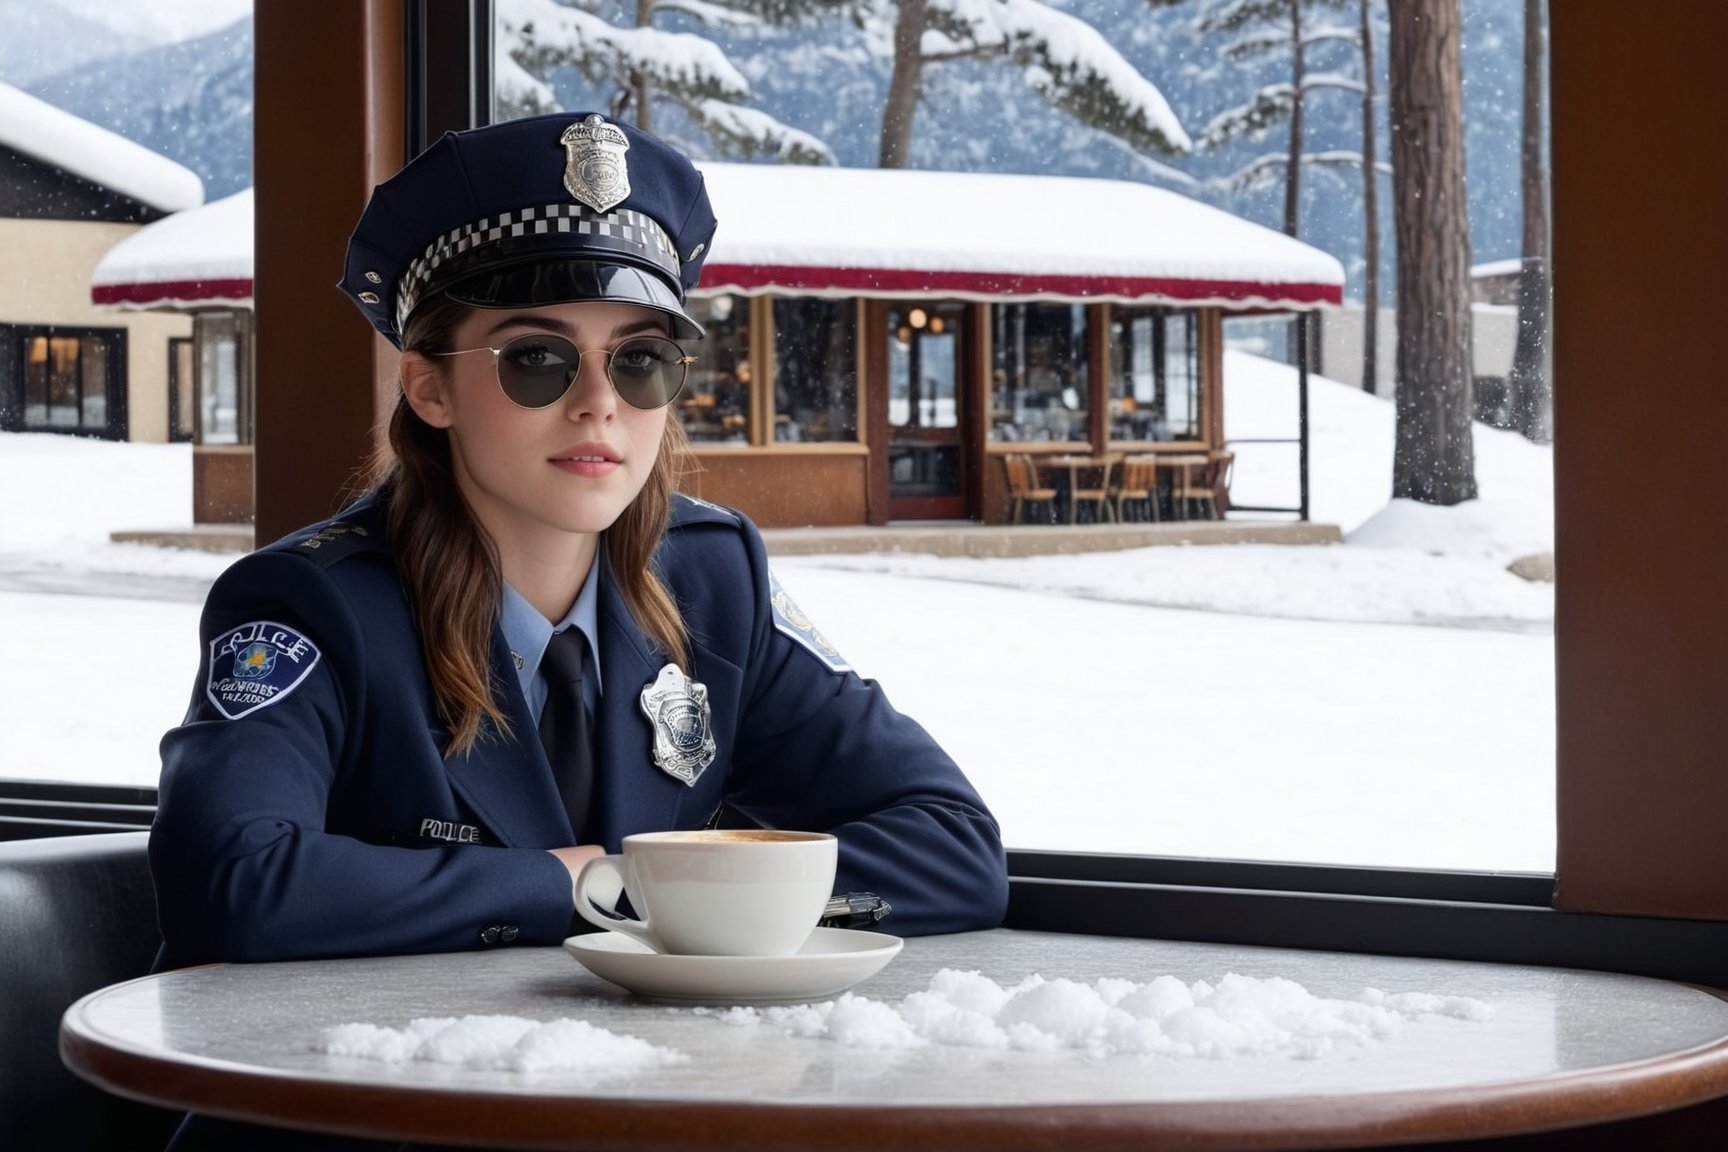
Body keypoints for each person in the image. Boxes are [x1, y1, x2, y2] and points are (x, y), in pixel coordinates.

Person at [148, 112, 1006, 1147]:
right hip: (351, 1124)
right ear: (428, 386)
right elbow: (234, 884)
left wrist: (668, 896)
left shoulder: (713, 581)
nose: (600, 404)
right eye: (538, 362)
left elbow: (955, 850)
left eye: (641, 362)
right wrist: (572, 885)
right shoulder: (310, 606)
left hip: (615, 1110)